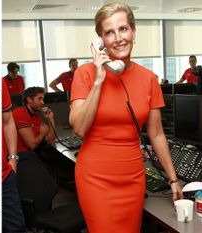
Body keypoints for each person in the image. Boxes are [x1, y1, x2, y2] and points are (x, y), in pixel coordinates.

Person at [69, 3, 182, 232]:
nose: (118, 38)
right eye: (109, 32)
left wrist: (173, 179)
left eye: (123, 29)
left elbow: (157, 133)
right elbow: (79, 128)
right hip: (95, 178)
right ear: (100, 40)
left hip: (132, 178)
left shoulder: (149, 78)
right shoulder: (85, 74)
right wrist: (99, 81)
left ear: (133, 31)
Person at [1, 79, 27, 233]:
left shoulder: (1, 83)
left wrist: (13, 159)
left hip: (4, 173)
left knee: (15, 228)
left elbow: (8, 121)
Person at [13, 87, 56, 155]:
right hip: (21, 155)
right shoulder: (19, 113)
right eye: (39, 99)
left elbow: (51, 140)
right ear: (29, 99)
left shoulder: (36, 116)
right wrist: (42, 134)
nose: (43, 102)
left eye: (43, 99)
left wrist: (51, 119)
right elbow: (32, 145)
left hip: (34, 153)